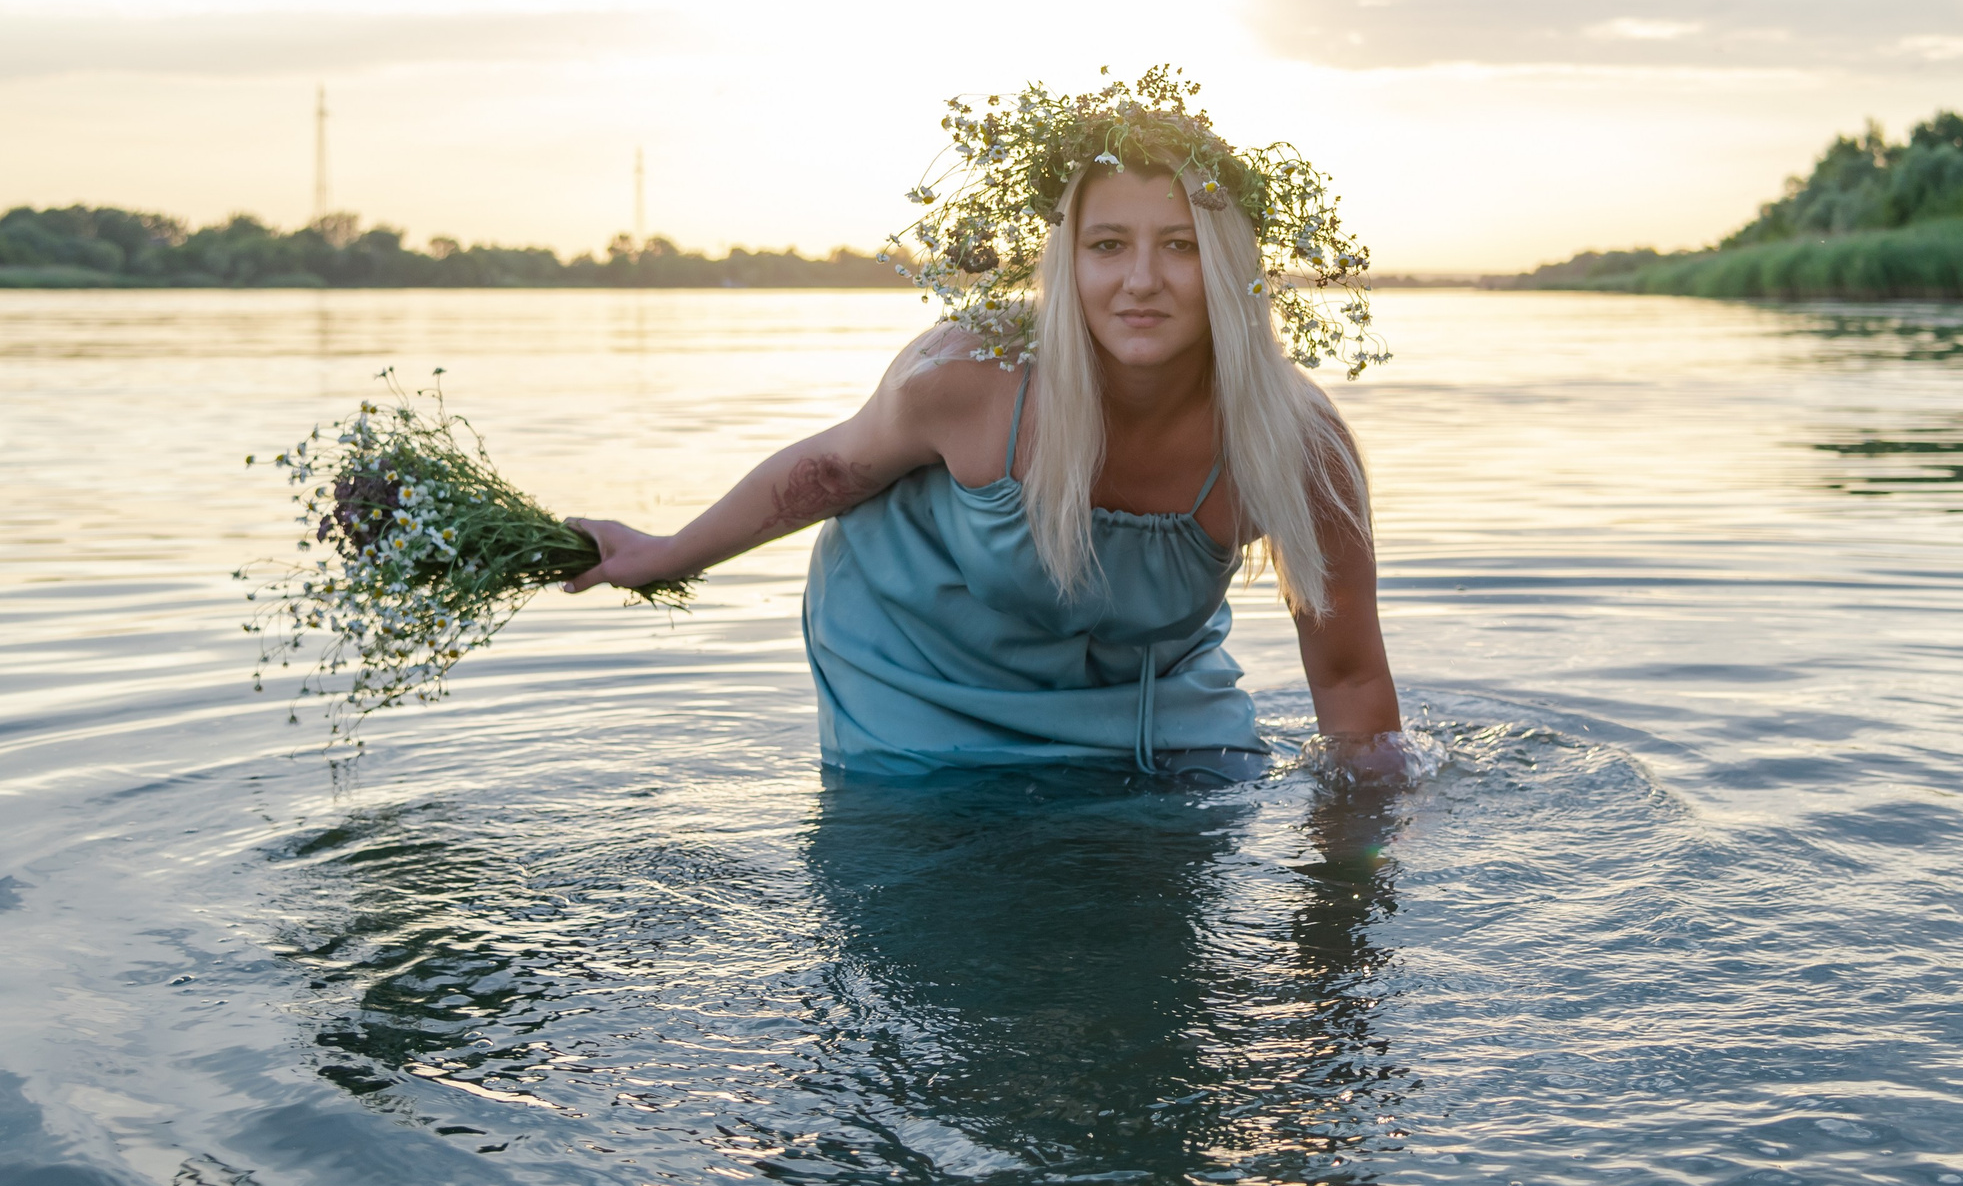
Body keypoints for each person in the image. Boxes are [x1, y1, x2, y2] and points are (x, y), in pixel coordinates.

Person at [563, 71, 1409, 782]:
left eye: (1181, 246)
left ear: (1230, 267)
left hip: (1140, 687)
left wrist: (1349, 917)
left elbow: (1349, 674)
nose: (1141, 280)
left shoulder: (1298, 444)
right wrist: (661, 555)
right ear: (1067, 258)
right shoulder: (974, 377)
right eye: (1108, 244)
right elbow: (830, 470)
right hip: (919, 666)